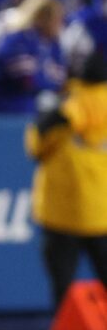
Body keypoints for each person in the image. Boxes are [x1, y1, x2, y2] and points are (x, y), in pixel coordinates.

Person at [26, 52, 107, 310]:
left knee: (62, 286)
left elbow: (35, 145)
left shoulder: (66, 106)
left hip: (61, 211)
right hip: (102, 212)